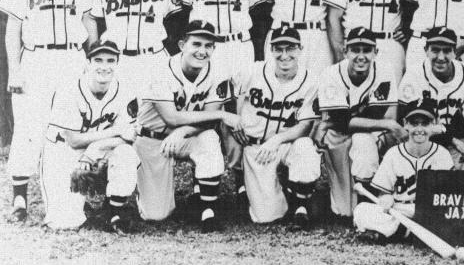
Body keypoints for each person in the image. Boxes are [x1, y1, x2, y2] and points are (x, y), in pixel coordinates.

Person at [0, 0, 95, 222]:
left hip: (72, 57)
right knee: (29, 128)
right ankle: (19, 199)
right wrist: (14, 69)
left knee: (72, 127)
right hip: (37, 58)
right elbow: (13, 27)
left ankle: (76, 194)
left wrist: (92, 58)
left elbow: (88, 18)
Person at [134, 20, 242, 231]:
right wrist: (222, 114)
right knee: (156, 215)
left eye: (208, 45)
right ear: (182, 45)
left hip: (187, 137)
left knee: (210, 139)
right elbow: (171, 118)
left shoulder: (217, 71)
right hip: (152, 138)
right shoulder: (159, 68)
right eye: (196, 44)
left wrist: (181, 133)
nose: (202, 51)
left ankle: (207, 211)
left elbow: (209, 119)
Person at [229, 27, 325, 227]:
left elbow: (306, 124)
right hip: (256, 147)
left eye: (290, 48)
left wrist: (277, 140)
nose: (284, 55)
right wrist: (235, 120)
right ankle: (282, 189)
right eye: (278, 49)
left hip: (285, 143)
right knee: (267, 216)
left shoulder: (311, 80)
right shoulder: (253, 71)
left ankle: (301, 205)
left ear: (300, 49)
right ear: (270, 50)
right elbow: (232, 100)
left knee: (305, 148)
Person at [40, 40, 139, 232]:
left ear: (118, 63)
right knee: (64, 223)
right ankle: (78, 205)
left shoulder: (125, 89)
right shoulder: (68, 89)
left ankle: (115, 209)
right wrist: (115, 131)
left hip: (98, 150)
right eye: (98, 60)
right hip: (63, 151)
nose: (104, 66)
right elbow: (73, 140)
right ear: (87, 63)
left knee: (126, 153)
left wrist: (95, 149)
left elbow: (129, 135)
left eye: (110, 60)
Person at [310, 27, 404, 218]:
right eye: (355, 50)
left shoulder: (384, 71)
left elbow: (388, 115)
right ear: (345, 52)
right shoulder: (331, 73)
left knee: (363, 141)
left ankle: (366, 207)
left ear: (375, 52)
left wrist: (330, 122)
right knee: (343, 211)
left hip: (365, 135)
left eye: (367, 50)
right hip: (338, 136)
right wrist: (386, 125)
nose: (361, 56)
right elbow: (342, 121)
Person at [353, 98, 454, 240]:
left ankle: (397, 232)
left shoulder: (442, 154)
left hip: (431, 211)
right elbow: (384, 193)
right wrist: (386, 199)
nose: (419, 129)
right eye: (414, 123)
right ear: (406, 124)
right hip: (401, 209)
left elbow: (448, 196)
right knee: (362, 210)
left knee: (448, 216)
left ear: (434, 125)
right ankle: (407, 231)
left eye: (425, 123)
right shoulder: (393, 153)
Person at [399, 27, 464, 169]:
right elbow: (405, 120)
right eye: (435, 50)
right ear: (426, 50)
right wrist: (450, 138)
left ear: (454, 51)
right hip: (423, 138)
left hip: (459, 141)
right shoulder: (414, 73)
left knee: (456, 179)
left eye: (446, 50)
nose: (441, 57)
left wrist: (441, 132)